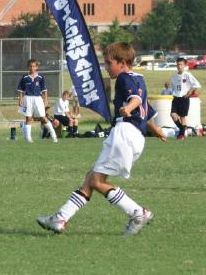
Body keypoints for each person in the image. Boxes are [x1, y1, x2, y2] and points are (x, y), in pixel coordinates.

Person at [37, 42, 166, 236]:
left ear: (122, 63)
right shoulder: (139, 78)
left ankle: (138, 212)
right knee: (92, 178)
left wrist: (128, 108)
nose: (106, 67)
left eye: (108, 63)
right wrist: (156, 130)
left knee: (97, 181)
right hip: (135, 136)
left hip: (125, 133)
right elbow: (145, 108)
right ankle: (60, 218)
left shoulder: (123, 78)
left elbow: (136, 102)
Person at [17, 59, 57, 143]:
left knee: (43, 117)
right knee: (28, 118)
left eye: (34, 66)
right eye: (30, 66)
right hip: (27, 98)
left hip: (38, 98)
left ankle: (53, 135)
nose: (32, 68)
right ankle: (28, 139)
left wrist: (45, 100)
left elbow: (44, 90)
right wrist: (20, 99)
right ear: (28, 67)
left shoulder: (40, 77)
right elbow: (20, 90)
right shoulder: (25, 77)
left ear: (37, 67)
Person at [170, 57, 201, 139]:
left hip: (184, 98)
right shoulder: (174, 76)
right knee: (173, 115)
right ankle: (182, 129)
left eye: (181, 64)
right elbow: (173, 87)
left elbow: (196, 85)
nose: (179, 66)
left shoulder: (187, 74)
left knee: (182, 117)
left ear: (184, 65)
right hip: (176, 98)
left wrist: (190, 92)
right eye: (177, 64)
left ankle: (182, 134)